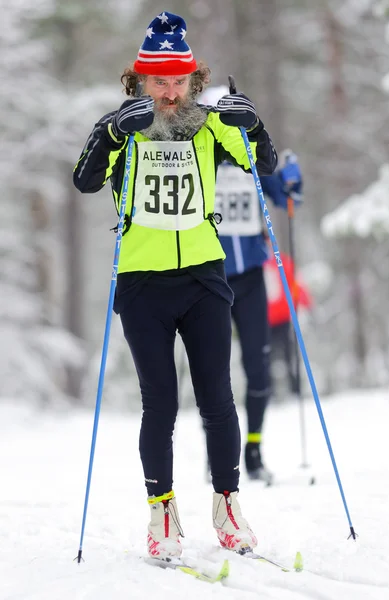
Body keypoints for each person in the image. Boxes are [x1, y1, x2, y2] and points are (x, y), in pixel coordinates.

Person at [73, 12, 277, 560]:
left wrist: (253, 124)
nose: (168, 91)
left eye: (177, 80)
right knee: (159, 402)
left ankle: (228, 505)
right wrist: (112, 131)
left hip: (205, 278)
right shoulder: (123, 126)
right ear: (139, 81)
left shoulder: (211, 126)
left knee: (217, 396)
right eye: (157, 80)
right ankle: (162, 512)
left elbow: (266, 167)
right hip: (144, 284)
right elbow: (85, 178)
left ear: (193, 80)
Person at [199, 87, 303, 483]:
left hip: (250, 279)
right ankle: (216, 454)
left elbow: (285, 197)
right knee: (213, 372)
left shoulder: (251, 157)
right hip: (208, 279)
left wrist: (292, 183)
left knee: (258, 369)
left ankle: (254, 451)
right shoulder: (199, 157)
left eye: (230, 117)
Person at [264, 249, 312, 395]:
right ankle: (269, 392)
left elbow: (296, 282)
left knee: (289, 354)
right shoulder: (256, 265)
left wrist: (304, 303)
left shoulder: (282, 261)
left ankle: (295, 388)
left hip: (284, 317)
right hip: (265, 320)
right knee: (266, 356)